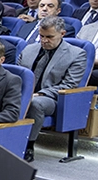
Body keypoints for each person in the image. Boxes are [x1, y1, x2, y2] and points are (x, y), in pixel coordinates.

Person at [18, 15, 87, 161]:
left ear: (62, 34)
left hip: (52, 99)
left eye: (49, 37)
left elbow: (69, 84)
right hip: (24, 93)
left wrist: (40, 94)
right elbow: (17, 76)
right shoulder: (29, 49)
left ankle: (28, 146)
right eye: (41, 36)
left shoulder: (76, 54)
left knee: (35, 104)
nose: (44, 40)